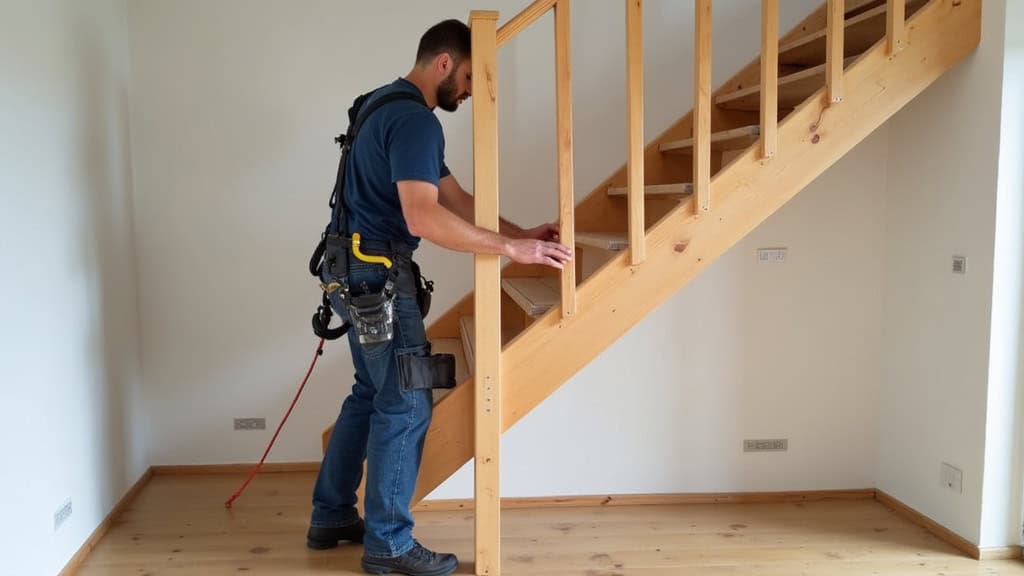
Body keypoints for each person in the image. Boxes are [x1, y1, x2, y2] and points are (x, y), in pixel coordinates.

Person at [306, 19, 573, 576]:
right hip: (378, 279)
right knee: (405, 403)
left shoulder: (382, 104)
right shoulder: (416, 122)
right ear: (445, 63)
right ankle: (389, 545)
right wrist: (511, 252)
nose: (473, 91)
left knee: (368, 392)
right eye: (472, 76)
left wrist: (519, 235)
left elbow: (455, 198)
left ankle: (332, 514)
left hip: (349, 273)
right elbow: (423, 217)